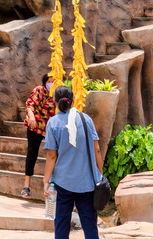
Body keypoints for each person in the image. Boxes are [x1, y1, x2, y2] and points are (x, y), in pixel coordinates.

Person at [43, 85, 104, 239]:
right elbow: (97, 149)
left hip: (63, 184)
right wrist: (99, 175)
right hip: (87, 184)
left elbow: (51, 156)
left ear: (56, 102)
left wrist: (45, 181)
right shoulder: (86, 119)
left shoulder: (53, 123)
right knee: (90, 226)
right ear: (73, 100)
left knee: (62, 225)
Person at [21, 73, 55, 197]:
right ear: (45, 82)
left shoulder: (57, 93)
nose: (51, 84)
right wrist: (31, 116)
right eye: (49, 81)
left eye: (54, 81)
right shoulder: (38, 90)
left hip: (50, 128)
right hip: (35, 125)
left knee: (53, 154)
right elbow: (29, 104)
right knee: (32, 153)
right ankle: (26, 185)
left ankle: (51, 184)